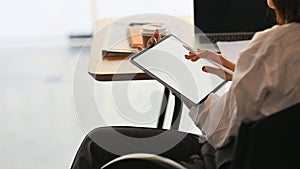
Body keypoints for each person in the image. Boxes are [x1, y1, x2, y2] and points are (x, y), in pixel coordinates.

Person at [70, 0, 300, 168]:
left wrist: (180, 76)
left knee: (95, 145)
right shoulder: (276, 52)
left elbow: (218, 131)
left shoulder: (271, 47)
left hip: (221, 159)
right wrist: (240, 72)